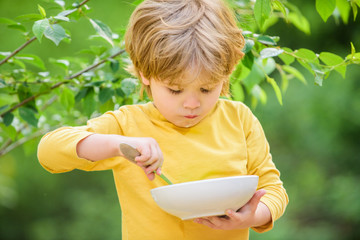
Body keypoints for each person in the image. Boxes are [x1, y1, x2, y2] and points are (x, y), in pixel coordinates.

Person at [37, 0, 288, 239]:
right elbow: (49, 151)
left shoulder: (238, 119)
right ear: (145, 73)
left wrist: (254, 215)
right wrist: (118, 145)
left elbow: (273, 189)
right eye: (175, 90)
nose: (192, 104)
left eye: (207, 89)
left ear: (227, 73)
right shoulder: (129, 125)